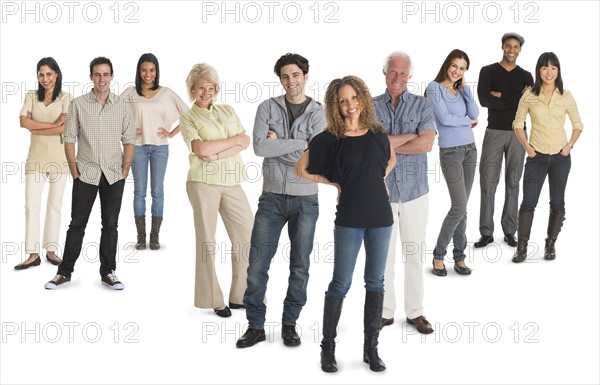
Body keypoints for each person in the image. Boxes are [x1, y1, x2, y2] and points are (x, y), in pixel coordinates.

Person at [296, 75, 395, 372]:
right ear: (335, 106)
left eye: (354, 98)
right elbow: (300, 169)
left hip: (381, 217)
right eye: (343, 100)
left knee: (376, 282)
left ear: (363, 99)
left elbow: (390, 160)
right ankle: (328, 348)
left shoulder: (377, 134)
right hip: (350, 218)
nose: (350, 105)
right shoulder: (329, 139)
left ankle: (371, 349)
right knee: (341, 282)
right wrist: (336, 183)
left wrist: (381, 179)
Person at [236, 53, 326, 348]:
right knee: (257, 264)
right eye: (285, 77)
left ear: (305, 76)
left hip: (305, 199)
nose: (291, 82)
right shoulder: (267, 107)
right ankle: (255, 325)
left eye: (296, 75)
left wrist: (280, 145)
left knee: (300, 266)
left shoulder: (318, 112)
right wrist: (303, 145)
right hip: (272, 197)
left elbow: (319, 158)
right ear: (280, 80)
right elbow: (260, 148)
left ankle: (290, 324)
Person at [44, 57, 136, 290]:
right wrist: (74, 168)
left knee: (110, 225)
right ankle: (64, 273)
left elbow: (129, 139)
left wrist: (126, 168)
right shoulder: (78, 104)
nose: (101, 79)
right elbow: (69, 138)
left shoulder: (123, 105)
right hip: (85, 173)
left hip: (114, 174)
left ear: (112, 76)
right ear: (91, 77)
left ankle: (108, 272)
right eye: (97, 74)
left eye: (106, 74)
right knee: (77, 223)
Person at [180, 63, 254, 317]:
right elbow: (200, 150)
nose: (206, 92)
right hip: (203, 183)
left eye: (210, 87)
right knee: (207, 241)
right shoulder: (188, 117)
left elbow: (244, 141)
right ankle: (213, 298)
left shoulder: (228, 110)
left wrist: (218, 149)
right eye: (201, 87)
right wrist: (222, 146)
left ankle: (241, 295)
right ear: (193, 90)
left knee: (247, 235)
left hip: (233, 181)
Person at [374, 51, 436, 334]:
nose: (397, 77)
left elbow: (426, 145)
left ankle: (415, 312)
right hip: (380, 192)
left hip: (415, 192)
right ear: (384, 72)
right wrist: (411, 136)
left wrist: (386, 145)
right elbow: (367, 147)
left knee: (414, 253)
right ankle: (385, 312)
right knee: (383, 255)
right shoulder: (370, 106)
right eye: (392, 71)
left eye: (402, 73)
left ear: (409, 76)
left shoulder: (423, 105)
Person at [511, 52, 582, 263]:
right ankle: (521, 248)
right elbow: (517, 123)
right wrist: (527, 147)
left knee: (557, 201)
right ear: (538, 71)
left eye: (553, 68)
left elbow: (578, 125)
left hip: (561, 157)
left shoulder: (566, 95)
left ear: (558, 70)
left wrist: (569, 145)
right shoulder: (529, 95)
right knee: (528, 202)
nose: (549, 72)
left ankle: (550, 243)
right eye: (544, 68)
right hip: (537, 156)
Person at [122, 53, 189, 251]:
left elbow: (189, 114)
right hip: (138, 147)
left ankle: (155, 236)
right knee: (139, 192)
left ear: (156, 71)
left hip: (160, 148)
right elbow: (112, 112)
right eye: (144, 70)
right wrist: (126, 130)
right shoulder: (130, 92)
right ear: (138, 71)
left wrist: (171, 132)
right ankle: (141, 236)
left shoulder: (167, 93)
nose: (148, 74)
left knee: (157, 191)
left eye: (151, 70)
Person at [475, 33, 534, 248]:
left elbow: (526, 105)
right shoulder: (488, 71)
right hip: (494, 132)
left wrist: (500, 95)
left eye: (515, 47)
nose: (511, 50)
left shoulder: (527, 76)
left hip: (519, 133)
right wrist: (515, 97)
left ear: (520, 50)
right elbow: (483, 99)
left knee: (513, 181)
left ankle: (510, 231)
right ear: (502, 47)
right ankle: (486, 232)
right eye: (508, 46)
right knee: (488, 182)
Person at [426, 49, 479, 276]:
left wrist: (465, 89)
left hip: (470, 150)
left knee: (463, 208)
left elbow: (476, 111)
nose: (457, 71)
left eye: (463, 68)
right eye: (455, 66)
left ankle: (459, 258)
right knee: (459, 206)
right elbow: (445, 119)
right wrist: (467, 121)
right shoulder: (434, 88)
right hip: (451, 153)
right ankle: (439, 255)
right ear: (447, 64)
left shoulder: (460, 91)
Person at [15, 57, 72, 271]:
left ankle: (51, 250)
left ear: (56, 74)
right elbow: (22, 122)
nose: (45, 78)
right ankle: (32, 253)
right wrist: (50, 125)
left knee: (54, 206)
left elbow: (65, 128)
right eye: (41, 74)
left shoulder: (66, 98)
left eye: (49, 74)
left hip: (60, 159)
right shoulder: (31, 96)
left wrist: (35, 127)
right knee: (31, 206)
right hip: (36, 158)